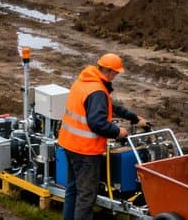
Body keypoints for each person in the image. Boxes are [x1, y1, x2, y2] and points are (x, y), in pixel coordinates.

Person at [59, 53, 148, 220]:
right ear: (108, 71)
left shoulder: (85, 81)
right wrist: (117, 132)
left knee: (73, 190)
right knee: (86, 197)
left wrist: (134, 118)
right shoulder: (97, 91)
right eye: (115, 73)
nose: (116, 76)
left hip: (69, 145)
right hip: (86, 151)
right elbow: (97, 123)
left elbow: (109, 105)